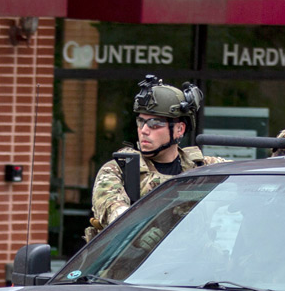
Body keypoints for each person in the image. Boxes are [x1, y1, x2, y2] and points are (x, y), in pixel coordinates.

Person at [86, 75, 228, 242]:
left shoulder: (203, 168)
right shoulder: (119, 169)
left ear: (179, 129)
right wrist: (137, 233)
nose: (144, 130)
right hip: (133, 265)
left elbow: (248, 176)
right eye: (141, 122)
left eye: (155, 124)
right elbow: (114, 209)